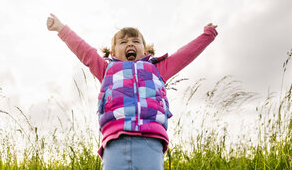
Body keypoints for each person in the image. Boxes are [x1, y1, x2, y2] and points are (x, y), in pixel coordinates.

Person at [47, 13, 218, 170]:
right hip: (115, 141)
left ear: (146, 50)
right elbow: (84, 50)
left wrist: (208, 35)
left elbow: (185, 54)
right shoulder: (106, 69)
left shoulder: (157, 69)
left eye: (136, 41)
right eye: (123, 42)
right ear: (113, 52)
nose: (130, 43)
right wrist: (61, 28)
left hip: (150, 141)